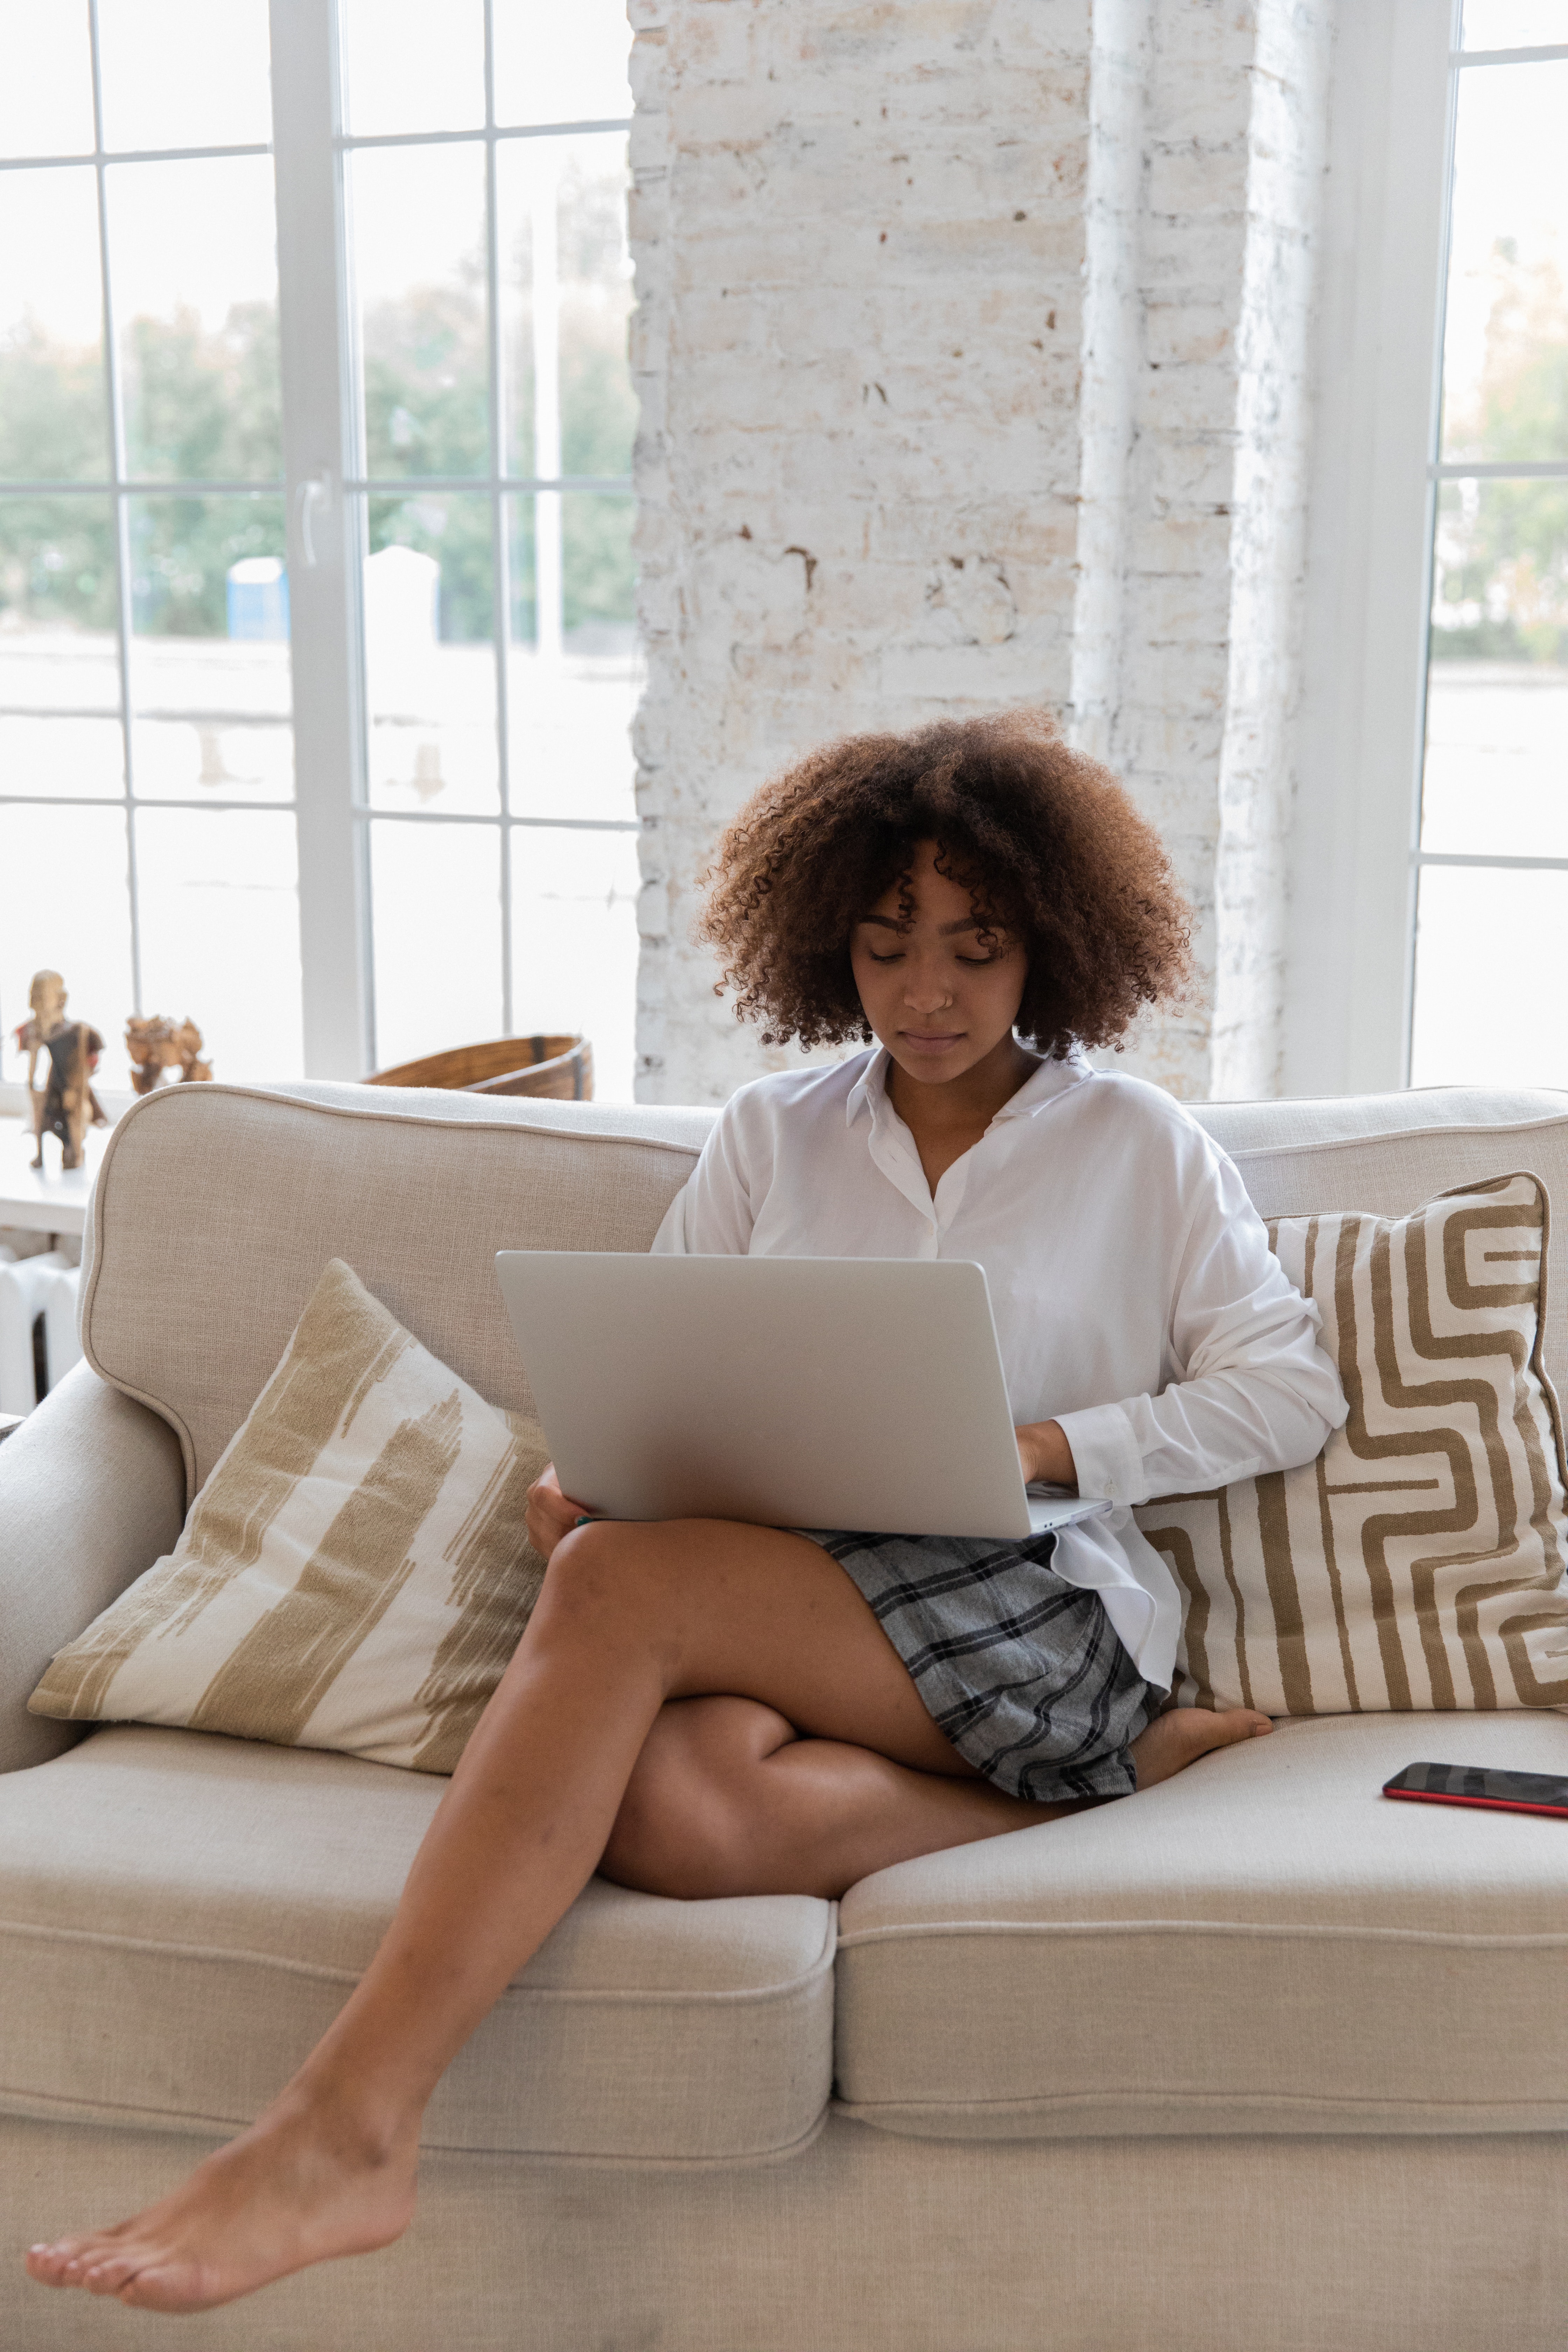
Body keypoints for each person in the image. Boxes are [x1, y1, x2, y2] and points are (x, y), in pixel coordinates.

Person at [26, 708, 1346, 2314]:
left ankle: (342, 2127)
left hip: (1034, 1606)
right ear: (826, 948)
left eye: (975, 950)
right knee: (675, 1813)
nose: (925, 992)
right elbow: (647, 1375)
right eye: (883, 947)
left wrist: (1049, 1445)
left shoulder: (1139, 1147)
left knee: (617, 1597)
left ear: (1051, 952)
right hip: (791, 1595)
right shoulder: (766, 1138)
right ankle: (1104, 1790)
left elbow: (1287, 1389)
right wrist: (590, 1478)